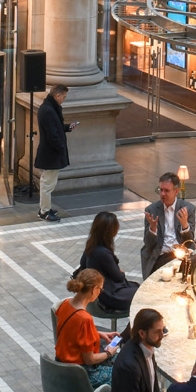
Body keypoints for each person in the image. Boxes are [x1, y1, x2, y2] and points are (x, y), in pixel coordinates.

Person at [55, 270, 120, 387]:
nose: (100, 292)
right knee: (121, 373)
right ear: (94, 289)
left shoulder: (65, 304)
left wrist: (97, 333)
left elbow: (72, 331)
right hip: (79, 374)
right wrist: (108, 353)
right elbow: (90, 359)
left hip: (61, 364)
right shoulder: (85, 319)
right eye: (101, 289)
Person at [78, 213, 139, 316]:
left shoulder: (91, 245)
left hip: (97, 293)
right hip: (109, 295)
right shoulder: (103, 253)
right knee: (142, 295)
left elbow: (82, 263)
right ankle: (130, 331)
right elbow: (118, 277)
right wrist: (121, 272)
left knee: (138, 289)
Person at [140, 173, 196, 278]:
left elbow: (189, 242)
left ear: (176, 191)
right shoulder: (151, 210)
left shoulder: (188, 209)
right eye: (161, 190)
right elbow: (148, 244)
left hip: (180, 255)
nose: (162, 194)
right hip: (160, 256)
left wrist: (185, 225)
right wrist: (152, 229)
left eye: (166, 191)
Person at [36, 84, 71, 223]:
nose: (64, 99)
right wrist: (60, 147)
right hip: (51, 154)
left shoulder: (49, 108)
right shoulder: (48, 110)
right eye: (64, 97)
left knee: (48, 182)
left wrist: (67, 128)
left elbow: (55, 128)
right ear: (57, 96)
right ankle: (44, 211)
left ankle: (45, 208)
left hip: (51, 153)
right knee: (48, 184)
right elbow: (52, 134)